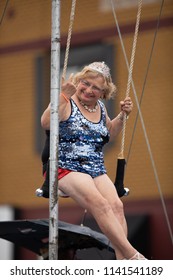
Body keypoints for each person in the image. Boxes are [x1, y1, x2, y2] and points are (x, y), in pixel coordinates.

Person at [40, 61, 147, 260]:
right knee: (101, 204)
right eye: (86, 83)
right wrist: (62, 95)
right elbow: (46, 122)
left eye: (96, 88)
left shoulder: (101, 108)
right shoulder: (66, 100)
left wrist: (123, 116)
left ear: (103, 93)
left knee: (116, 206)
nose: (89, 90)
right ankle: (133, 255)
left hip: (95, 168)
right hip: (66, 166)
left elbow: (109, 133)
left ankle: (122, 263)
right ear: (78, 81)